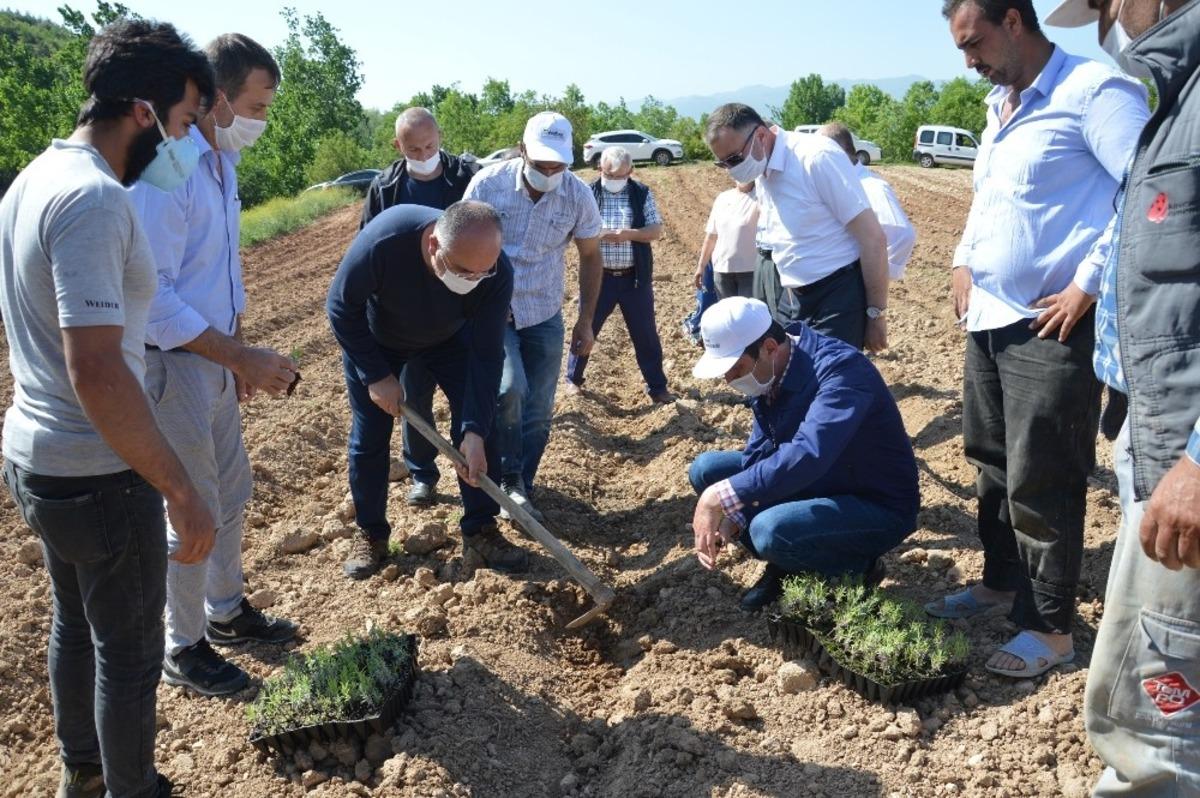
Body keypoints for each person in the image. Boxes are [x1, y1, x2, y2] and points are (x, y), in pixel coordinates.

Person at [0, 20, 216, 798]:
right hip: (96, 470)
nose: (187, 141)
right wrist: (179, 488)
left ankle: (82, 775)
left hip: (37, 457)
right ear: (144, 111)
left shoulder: (33, 178)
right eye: (186, 120)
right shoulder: (93, 198)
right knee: (126, 655)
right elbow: (95, 368)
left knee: (75, 627)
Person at [925, 0, 1150, 680]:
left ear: (1015, 21)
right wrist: (964, 256)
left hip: (1052, 325)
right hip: (989, 317)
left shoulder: (1093, 92)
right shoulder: (1001, 108)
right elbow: (988, 199)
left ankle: (1050, 627)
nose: (969, 60)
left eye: (975, 42)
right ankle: (999, 581)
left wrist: (1087, 281)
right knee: (990, 461)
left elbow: (1141, 192)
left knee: (1041, 474)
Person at [1045, 0, 1199, 793]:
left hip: (1187, 443)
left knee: (1160, 720)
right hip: (1158, 422)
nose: (1107, 18)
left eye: (1106, 2)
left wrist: (1198, 462)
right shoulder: (1176, 96)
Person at [129, 34, 298, 698]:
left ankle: (226, 613)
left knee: (231, 491)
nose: (262, 119)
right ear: (220, 97)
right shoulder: (169, 169)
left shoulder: (219, 162)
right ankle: (183, 644)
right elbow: (152, 295)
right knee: (192, 507)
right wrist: (239, 356)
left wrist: (239, 346)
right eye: (257, 103)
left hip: (215, 357)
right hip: (175, 366)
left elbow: (219, 272)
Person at [327, 201, 527, 578]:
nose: (474, 280)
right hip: (378, 341)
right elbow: (340, 307)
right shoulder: (385, 242)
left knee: (483, 427)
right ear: (434, 245)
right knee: (369, 437)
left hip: (450, 339)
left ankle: (481, 528)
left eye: (482, 273)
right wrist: (375, 375)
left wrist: (474, 431)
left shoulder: (494, 272)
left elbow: (486, 356)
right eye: (464, 271)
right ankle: (370, 533)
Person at [688, 298, 919, 612]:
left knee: (768, 530)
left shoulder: (841, 371)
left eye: (736, 368)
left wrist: (721, 497)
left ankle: (855, 567)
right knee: (708, 470)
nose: (730, 381)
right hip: (818, 481)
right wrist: (736, 513)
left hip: (873, 502)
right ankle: (788, 561)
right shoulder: (771, 370)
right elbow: (760, 452)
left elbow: (809, 453)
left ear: (770, 347)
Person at [462, 112, 603, 521]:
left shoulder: (577, 195)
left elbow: (591, 255)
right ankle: (508, 481)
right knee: (511, 389)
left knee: (540, 408)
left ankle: (523, 483)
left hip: (544, 311)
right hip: (492, 311)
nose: (549, 173)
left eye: (557, 166)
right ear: (522, 151)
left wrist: (586, 320)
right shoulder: (487, 186)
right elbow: (460, 242)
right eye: (541, 165)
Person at [361, 108, 480, 507]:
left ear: (440, 137)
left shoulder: (465, 178)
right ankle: (422, 474)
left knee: (472, 404)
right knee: (414, 396)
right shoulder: (386, 187)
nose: (424, 153)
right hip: (404, 312)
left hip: (456, 307)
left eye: (430, 145)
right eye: (414, 148)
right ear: (398, 147)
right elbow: (370, 246)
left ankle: (479, 507)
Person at [704, 104, 890, 352]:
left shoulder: (815, 158)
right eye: (723, 164)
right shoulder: (763, 169)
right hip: (792, 297)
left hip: (837, 296)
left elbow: (872, 238)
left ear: (760, 135)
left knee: (832, 381)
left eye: (735, 159)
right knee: (797, 381)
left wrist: (876, 314)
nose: (732, 170)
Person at [564, 146, 672, 403]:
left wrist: (627, 234)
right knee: (586, 325)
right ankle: (573, 379)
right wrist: (596, 233)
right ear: (600, 169)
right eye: (609, 175)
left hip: (634, 278)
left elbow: (655, 229)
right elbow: (573, 227)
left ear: (631, 172)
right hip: (598, 278)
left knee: (645, 333)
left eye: (620, 176)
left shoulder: (641, 193)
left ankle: (657, 387)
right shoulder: (589, 192)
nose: (613, 181)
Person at [818, 122, 916, 281]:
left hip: (849, 288)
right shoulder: (844, 183)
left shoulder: (872, 186)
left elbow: (903, 235)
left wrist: (875, 274)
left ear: (837, 152)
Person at [695, 180, 759, 299]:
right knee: (728, 313)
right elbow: (711, 236)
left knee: (747, 313)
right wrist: (701, 266)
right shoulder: (722, 198)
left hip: (750, 271)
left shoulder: (760, 196)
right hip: (722, 270)